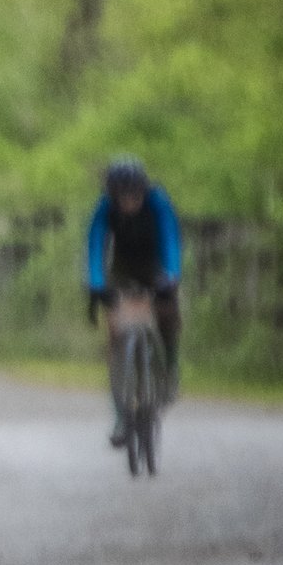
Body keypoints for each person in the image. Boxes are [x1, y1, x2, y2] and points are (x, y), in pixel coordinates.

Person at [86, 157, 183, 440]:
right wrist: (96, 284)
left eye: (134, 195)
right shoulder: (104, 208)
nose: (129, 201)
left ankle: (171, 366)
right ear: (113, 195)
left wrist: (171, 277)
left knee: (167, 314)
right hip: (123, 267)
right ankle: (120, 417)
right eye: (121, 196)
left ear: (143, 189)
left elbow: (170, 239)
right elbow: (95, 244)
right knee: (116, 332)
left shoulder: (158, 202)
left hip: (156, 265)